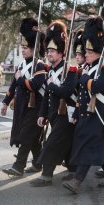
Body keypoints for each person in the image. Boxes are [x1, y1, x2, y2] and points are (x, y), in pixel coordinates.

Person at [63, 16, 104, 194]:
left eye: (88, 51)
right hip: (89, 114)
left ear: (97, 52)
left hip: (101, 116)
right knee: (103, 150)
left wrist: (86, 78)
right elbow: (83, 95)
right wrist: (77, 113)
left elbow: (98, 86)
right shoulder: (89, 68)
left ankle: (77, 180)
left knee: (91, 146)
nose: (85, 54)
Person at [29, 20, 79, 187]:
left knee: (52, 143)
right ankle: (73, 170)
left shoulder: (71, 70)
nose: (49, 53)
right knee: (66, 143)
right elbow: (47, 96)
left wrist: (51, 85)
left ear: (61, 53)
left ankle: (46, 175)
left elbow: (66, 92)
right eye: (48, 50)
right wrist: (42, 114)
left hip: (67, 115)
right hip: (54, 114)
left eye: (52, 51)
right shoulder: (50, 70)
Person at [1, 18, 47, 176]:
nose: (23, 50)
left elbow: (35, 85)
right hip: (22, 107)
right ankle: (38, 163)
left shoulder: (39, 65)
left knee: (26, 136)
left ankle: (18, 166)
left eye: (26, 47)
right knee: (33, 139)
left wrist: (21, 79)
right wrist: (6, 102)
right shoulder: (22, 65)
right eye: (22, 47)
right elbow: (14, 85)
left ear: (34, 48)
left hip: (35, 107)